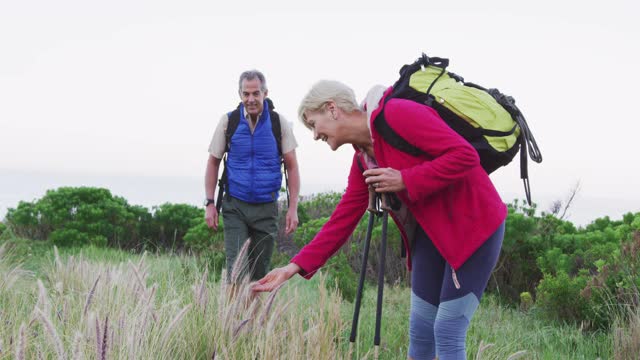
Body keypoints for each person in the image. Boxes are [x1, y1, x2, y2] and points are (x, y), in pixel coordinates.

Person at [252, 80, 507, 359]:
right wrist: (292, 267)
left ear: (332, 109)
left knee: (447, 332)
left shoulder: (398, 114)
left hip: (473, 228)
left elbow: (465, 156)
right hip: (430, 237)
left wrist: (405, 179)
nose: (314, 135)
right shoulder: (364, 159)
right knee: (421, 332)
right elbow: (343, 219)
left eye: (314, 124)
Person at [204, 70, 300, 282]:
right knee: (236, 272)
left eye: (256, 93)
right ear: (240, 94)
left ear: (265, 93)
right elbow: (213, 161)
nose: (251, 99)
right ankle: (232, 315)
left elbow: (292, 167)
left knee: (259, 274)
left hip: (266, 209)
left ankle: (255, 316)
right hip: (235, 206)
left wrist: (293, 208)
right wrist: (210, 203)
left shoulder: (279, 123)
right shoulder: (228, 121)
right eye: (246, 94)